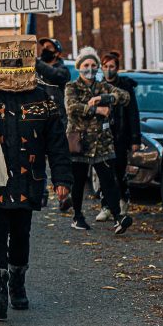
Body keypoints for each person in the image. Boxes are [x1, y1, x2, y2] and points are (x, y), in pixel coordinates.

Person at [0, 39, 72, 320]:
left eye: (17, 62)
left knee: (20, 233)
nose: (10, 67)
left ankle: (17, 282)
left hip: (28, 178)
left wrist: (62, 178)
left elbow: (57, 143)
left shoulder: (41, 98)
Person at [64, 47, 134, 235]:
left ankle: (119, 217)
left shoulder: (103, 86)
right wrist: (97, 109)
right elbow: (72, 108)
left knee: (108, 181)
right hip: (79, 141)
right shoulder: (72, 87)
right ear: (79, 67)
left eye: (94, 65)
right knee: (78, 181)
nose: (90, 68)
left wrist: (104, 98)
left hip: (101, 143)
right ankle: (77, 216)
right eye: (86, 65)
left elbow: (125, 97)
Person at [95, 51, 141, 221]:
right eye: (105, 67)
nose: (108, 70)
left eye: (111, 67)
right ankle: (106, 206)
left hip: (120, 136)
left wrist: (135, 138)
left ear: (117, 68)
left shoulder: (125, 87)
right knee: (104, 173)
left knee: (119, 171)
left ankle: (123, 200)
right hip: (101, 137)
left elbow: (133, 113)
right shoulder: (98, 86)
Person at [35, 38, 70, 210]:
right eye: (43, 48)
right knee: (39, 159)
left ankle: (64, 195)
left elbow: (54, 75)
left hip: (58, 122)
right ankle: (42, 193)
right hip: (39, 121)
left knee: (59, 158)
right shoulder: (37, 71)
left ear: (57, 52)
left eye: (48, 48)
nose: (44, 50)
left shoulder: (62, 70)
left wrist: (35, 62)